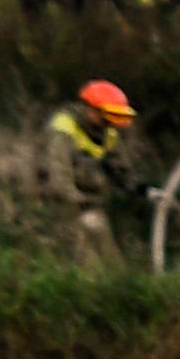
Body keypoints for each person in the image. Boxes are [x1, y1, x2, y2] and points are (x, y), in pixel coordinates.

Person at [46, 78, 139, 247]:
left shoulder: (108, 133)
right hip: (60, 202)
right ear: (91, 110)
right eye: (107, 116)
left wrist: (139, 188)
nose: (111, 123)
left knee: (106, 255)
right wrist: (79, 202)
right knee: (82, 251)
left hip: (89, 202)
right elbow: (59, 176)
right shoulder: (63, 128)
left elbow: (118, 168)